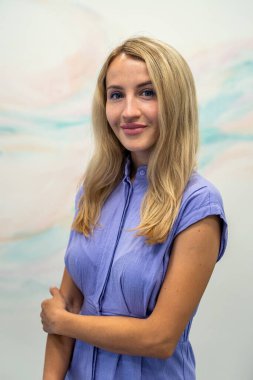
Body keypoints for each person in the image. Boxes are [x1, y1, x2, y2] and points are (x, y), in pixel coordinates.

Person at [40, 36, 228, 380]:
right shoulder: (94, 191)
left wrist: (66, 323)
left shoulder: (199, 204)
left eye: (147, 92)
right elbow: (66, 302)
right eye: (116, 95)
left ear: (175, 99)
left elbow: (159, 338)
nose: (128, 111)